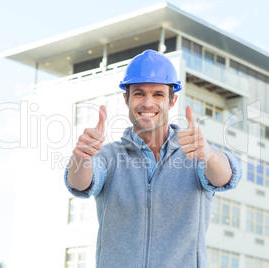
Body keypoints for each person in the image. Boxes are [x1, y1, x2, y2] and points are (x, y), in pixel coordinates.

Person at [65, 49, 242, 267]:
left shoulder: (195, 153)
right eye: (139, 93)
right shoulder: (108, 156)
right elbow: (80, 184)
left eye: (158, 94)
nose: (148, 103)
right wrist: (82, 156)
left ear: (172, 100)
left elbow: (226, 177)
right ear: (126, 99)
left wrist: (209, 155)